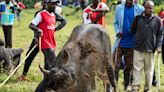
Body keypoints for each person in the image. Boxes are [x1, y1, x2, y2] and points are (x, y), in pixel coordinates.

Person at [18, 0, 66, 81]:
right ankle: (24, 75)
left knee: (48, 62)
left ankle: (47, 79)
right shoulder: (39, 14)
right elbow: (33, 26)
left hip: (49, 42)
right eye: (53, 3)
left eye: (56, 4)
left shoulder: (54, 15)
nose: (55, 5)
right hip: (38, 40)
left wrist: (56, 29)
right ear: (45, 4)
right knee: (29, 57)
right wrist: (36, 36)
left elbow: (64, 21)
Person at [131, 1, 163, 92]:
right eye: (146, 7)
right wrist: (138, 39)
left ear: (153, 8)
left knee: (149, 71)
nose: (148, 9)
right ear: (144, 8)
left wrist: (158, 46)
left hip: (150, 49)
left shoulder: (157, 20)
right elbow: (132, 30)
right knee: (137, 69)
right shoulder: (137, 18)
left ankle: (147, 88)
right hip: (138, 48)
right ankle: (135, 88)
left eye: (150, 8)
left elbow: (160, 34)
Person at [113, 0, 144, 91]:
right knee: (115, 65)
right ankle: (114, 86)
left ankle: (126, 86)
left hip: (132, 43)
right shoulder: (119, 8)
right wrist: (118, 31)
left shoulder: (140, 9)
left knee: (129, 66)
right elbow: (115, 23)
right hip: (120, 42)